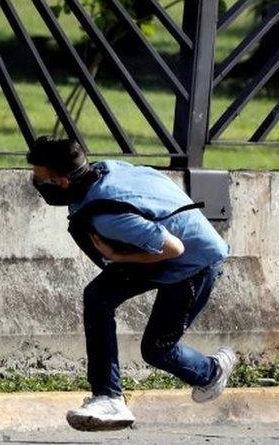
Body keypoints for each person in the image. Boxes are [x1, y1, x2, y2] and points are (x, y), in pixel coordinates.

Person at [26, 137, 236, 432]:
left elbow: (173, 249)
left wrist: (116, 254)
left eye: (40, 178)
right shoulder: (103, 172)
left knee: (157, 350)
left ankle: (212, 371)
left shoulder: (107, 217)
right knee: (98, 297)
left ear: (62, 182)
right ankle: (108, 396)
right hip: (169, 248)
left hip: (194, 263)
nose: (35, 181)